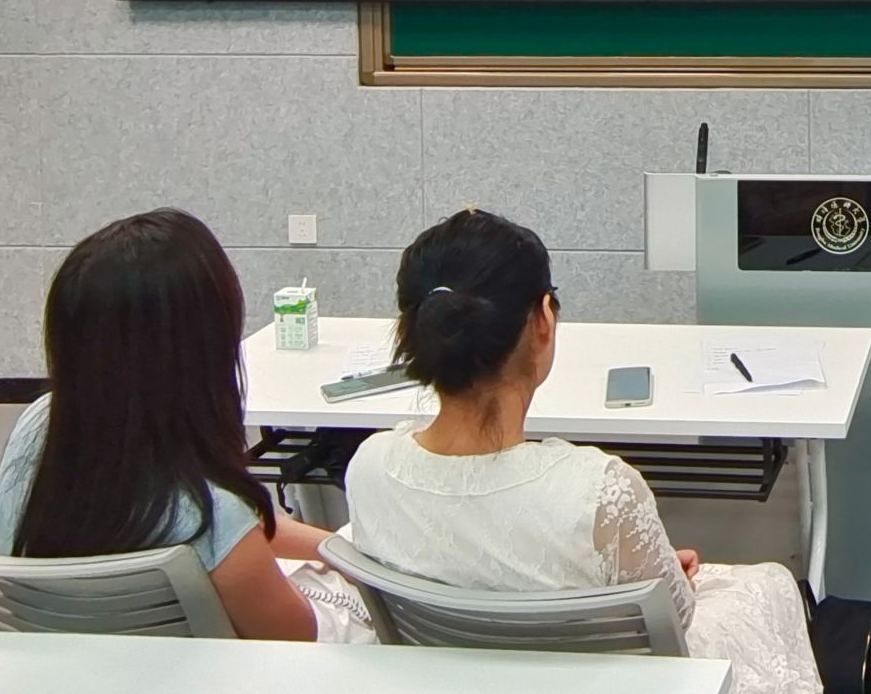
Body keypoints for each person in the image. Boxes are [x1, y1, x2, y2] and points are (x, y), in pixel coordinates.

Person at [344, 209, 822, 694]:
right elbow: (677, 619)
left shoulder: (370, 469)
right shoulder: (599, 492)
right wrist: (650, 577)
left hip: (450, 681)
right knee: (767, 585)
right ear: (543, 320)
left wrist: (638, 566)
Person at [0, 209, 371, 641]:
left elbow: (239, 531)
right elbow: (299, 640)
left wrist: (338, 551)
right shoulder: (207, 515)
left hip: (58, 662)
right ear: (203, 349)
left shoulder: (37, 426)